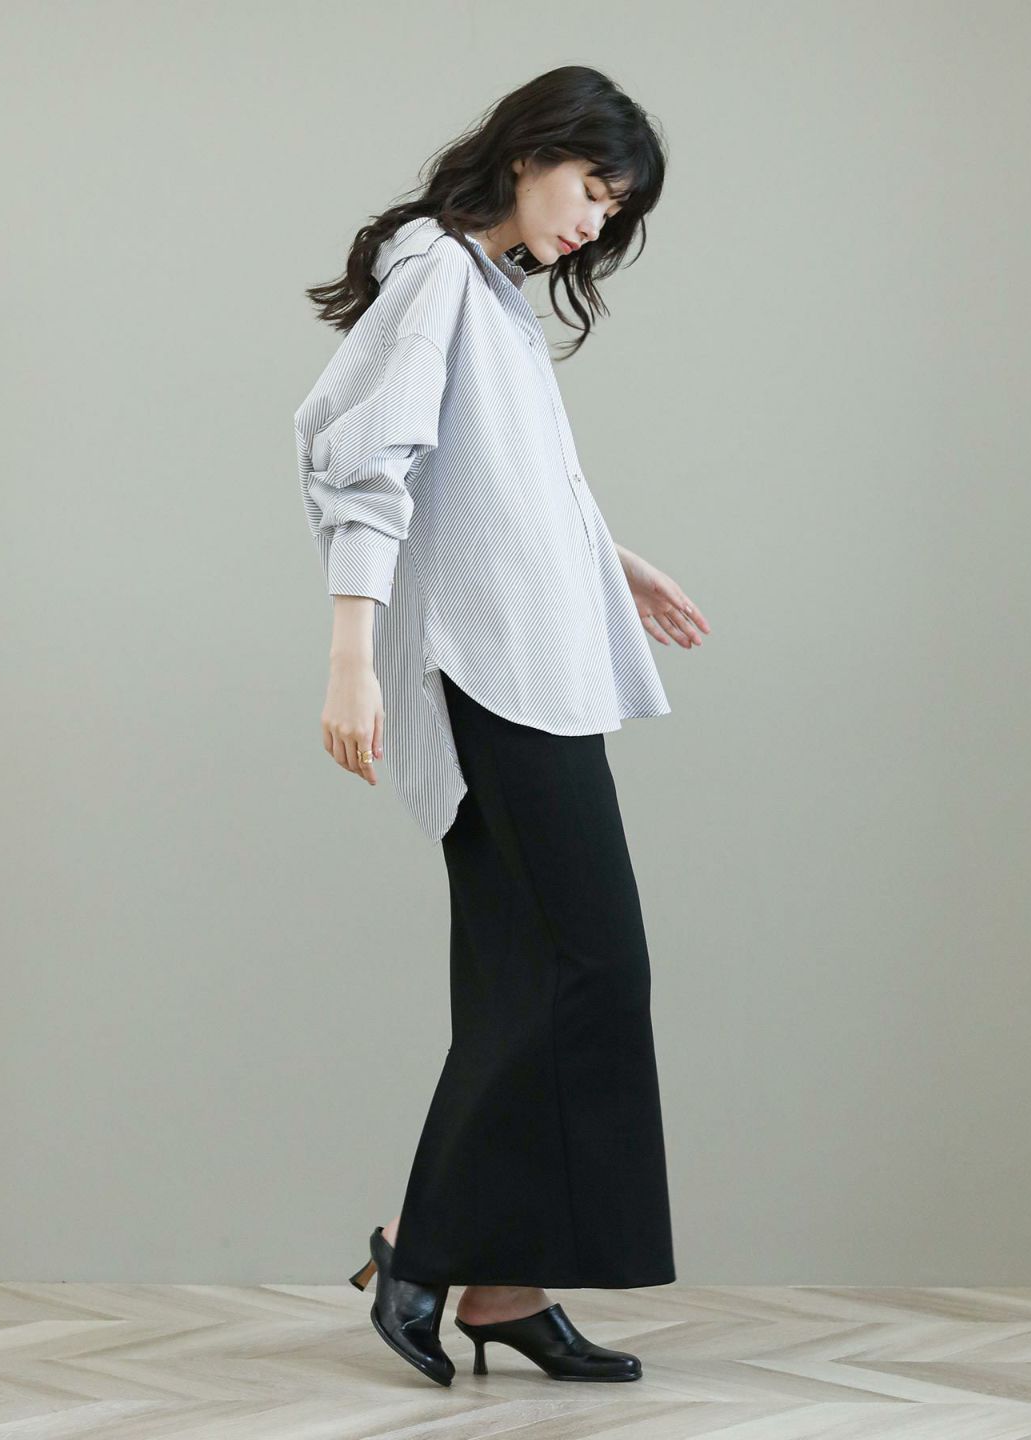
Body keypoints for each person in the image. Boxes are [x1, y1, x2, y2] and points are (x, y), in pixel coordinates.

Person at [293, 64, 711, 1386]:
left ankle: (503, 1286)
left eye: (616, 208)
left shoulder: (490, 294)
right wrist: (350, 659)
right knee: (588, 967)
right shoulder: (434, 273)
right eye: (592, 186)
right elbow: (366, 464)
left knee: (528, 978)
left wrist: (612, 561)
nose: (595, 220)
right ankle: (422, 1248)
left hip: (534, 666)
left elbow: (503, 484)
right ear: (532, 152)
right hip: (487, 675)